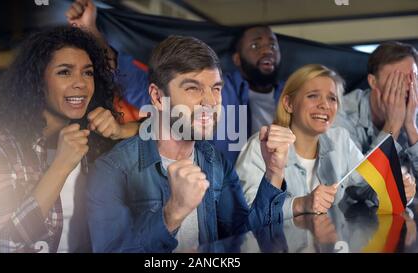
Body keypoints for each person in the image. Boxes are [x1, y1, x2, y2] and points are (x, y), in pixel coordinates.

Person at [86, 35, 295, 253]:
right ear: (157, 98)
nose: (210, 102)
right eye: (193, 88)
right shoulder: (111, 170)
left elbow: (243, 238)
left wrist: (273, 172)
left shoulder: (214, 161)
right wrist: (172, 214)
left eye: (215, 88)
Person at [0, 26, 137, 252]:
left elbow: (179, 128)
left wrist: (121, 131)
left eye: (87, 72)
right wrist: (60, 166)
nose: (81, 83)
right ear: (38, 80)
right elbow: (5, 246)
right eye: (64, 72)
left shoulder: (92, 136)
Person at [64, 0, 284, 164]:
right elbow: (136, 84)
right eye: (256, 45)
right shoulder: (218, 88)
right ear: (237, 59)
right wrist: (90, 30)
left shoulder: (292, 95)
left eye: (273, 45)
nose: (267, 50)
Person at [236, 64, 416, 219]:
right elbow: (246, 214)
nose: (325, 105)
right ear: (289, 104)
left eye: (332, 98)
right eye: (313, 96)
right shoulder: (261, 146)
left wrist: (397, 191)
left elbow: (365, 190)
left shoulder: (340, 140)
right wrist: (301, 204)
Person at [334, 42, 418, 184]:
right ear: (373, 82)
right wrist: (392, 126)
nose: (406, 88)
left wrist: (411, 126)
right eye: (396, 80)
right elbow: (355, 185)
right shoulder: (340, 114)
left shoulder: (414, 108)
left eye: (412, 79)